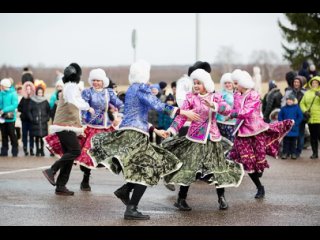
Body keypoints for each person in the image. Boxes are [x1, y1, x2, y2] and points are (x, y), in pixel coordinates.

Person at [88, 59, 199, 220]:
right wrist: (184, 112)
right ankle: (131, 207)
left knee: (146, 167)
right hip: (135, 136)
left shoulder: (132, 89)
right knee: (148, 169)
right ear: (143, 75)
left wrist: (155, 130)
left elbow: (136, 116)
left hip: (134, 133)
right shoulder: (141, 88)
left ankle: (126, 191)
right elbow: (159, 106)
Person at [162, 69, 244, 211]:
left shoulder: (215, 97)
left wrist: (215, 106)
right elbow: (181, 117)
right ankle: (181, 199)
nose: (196, 86)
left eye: (198, 83)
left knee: (218, 168)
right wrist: (172, 130)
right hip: (195, 139)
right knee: (190, 168)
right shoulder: (190, 98)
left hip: (213, 138)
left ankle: (222, 198)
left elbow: (227, 110)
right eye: (194, 83)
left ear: (206, 84)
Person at [228, 70, 294, 199]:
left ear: (243, 83)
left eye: (236, 83)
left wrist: (234, 114)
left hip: (256, 130)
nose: (234, 86)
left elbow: (245, 111)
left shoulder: (254, 95)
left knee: (259, 160)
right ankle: (260, 187)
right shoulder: (236, 95)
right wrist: (226, 112)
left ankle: (260, 170)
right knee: (247, 161)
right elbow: (235, 110)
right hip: (241, 132)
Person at [42, 63, 90, 196]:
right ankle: (51, 170)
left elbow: (76, 103)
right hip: (64, 126)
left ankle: (61, 186)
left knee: (69, 156)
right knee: (75, 151)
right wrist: (87, 107)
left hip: (68, 126)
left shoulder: (71, 87)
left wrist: (86, 108)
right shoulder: (70, 87)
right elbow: (73, 101)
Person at [75, 68, 124, 191]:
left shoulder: (109, 93)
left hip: (106, 128)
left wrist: (118, 116)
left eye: (99, 80)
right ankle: (85, 179)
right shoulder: (87, 92)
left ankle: (128, 184)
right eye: (94, 80)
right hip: (91, 128)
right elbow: (82, 107)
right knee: (87, 156)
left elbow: (121, 105)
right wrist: (83, 121)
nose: (96, 82)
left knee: (114, 153)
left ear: (103, 81)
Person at [299, 76, 320, 159]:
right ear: (311, 83)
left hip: (319, 118)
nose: (314, 84)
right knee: (313, 136)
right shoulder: (307, 93)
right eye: (313, 83)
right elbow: (302, 103)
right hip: (310, 118)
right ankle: (315, 153)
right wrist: (305, 111)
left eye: (316, 83)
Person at [278, 94, 303, 160]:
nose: (289, 101)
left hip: (294, 128)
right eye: (288, 100)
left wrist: (296, 123)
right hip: (286, 128)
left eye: (290, 100)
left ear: (293, 101)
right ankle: (285, 153)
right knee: (286, 142)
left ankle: (293, 153)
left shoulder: (297, 108)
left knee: (293, 142)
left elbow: (300, 116)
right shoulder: (283, 108)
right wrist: (282, 123)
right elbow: (280, 116)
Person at [28, 86, 50, 157]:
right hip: (35, 122)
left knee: (43, 137)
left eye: (41, 92)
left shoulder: (45, 101)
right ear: (36, 93)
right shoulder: (32, 101)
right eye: (39, 92)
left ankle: (42, 150)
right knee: (37, 137)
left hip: (43, 122)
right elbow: (29, 111)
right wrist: (32, 119)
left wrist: (47, 118)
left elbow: (48, 111)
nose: (40, 94)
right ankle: (37, 150)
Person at [0, 78, 19, 157]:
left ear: (5, 86)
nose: (0, 87)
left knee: (12, 134)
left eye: (1, 86)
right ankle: (4, 150)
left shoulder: (13, 93)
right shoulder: (1, 93)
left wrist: (4, 110)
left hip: (10, 117)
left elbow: (14, 105)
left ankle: (14, 149)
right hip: (2, 117)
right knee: (3, 134)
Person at [216, 72, 236, 142]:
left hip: (234, 122)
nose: (227, 85)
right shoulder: (221, 94)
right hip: (223, 122)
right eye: (225, 83)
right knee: (229, 142)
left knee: (232, 142)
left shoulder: (236, 93)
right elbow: (218, 107)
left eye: (229, 83)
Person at [18, 81, 36, 156]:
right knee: (24, 134)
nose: (28, 90)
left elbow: (36, 109)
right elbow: (19, 108)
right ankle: (25, 148)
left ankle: (31, 148)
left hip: (31, 120)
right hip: (24, 120)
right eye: (27, 89)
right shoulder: (23, 99)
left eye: (29, 89)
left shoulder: (34, 99)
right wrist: (24, 112)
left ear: (32, 90)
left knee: (31, 135)